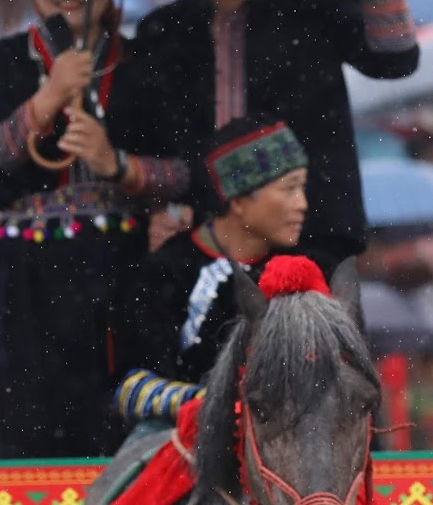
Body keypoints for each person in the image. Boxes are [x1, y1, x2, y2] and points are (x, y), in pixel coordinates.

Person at [112, 0, 420, 283]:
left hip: (313, 241)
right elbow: (149, 142)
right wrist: (166, 206)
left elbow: (396, 59)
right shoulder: (165, 31)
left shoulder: (314, 9)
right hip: (206, 245)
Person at [0, 0, 189, 459]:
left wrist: (118, 165)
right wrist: (47, 99)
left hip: (123, 268)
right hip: (27, 274)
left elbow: (186, 171)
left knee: (119, 411)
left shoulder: (146, 65)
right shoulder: (0, 63)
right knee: (25, 418)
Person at [111, 116, 311, 428]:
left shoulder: (301, 274)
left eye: (302, 188)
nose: (302, 204)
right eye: (289, 189)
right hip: (180, 439)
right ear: (239, 200)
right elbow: (131, 388)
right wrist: (222, 405)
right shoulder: (166, 273)